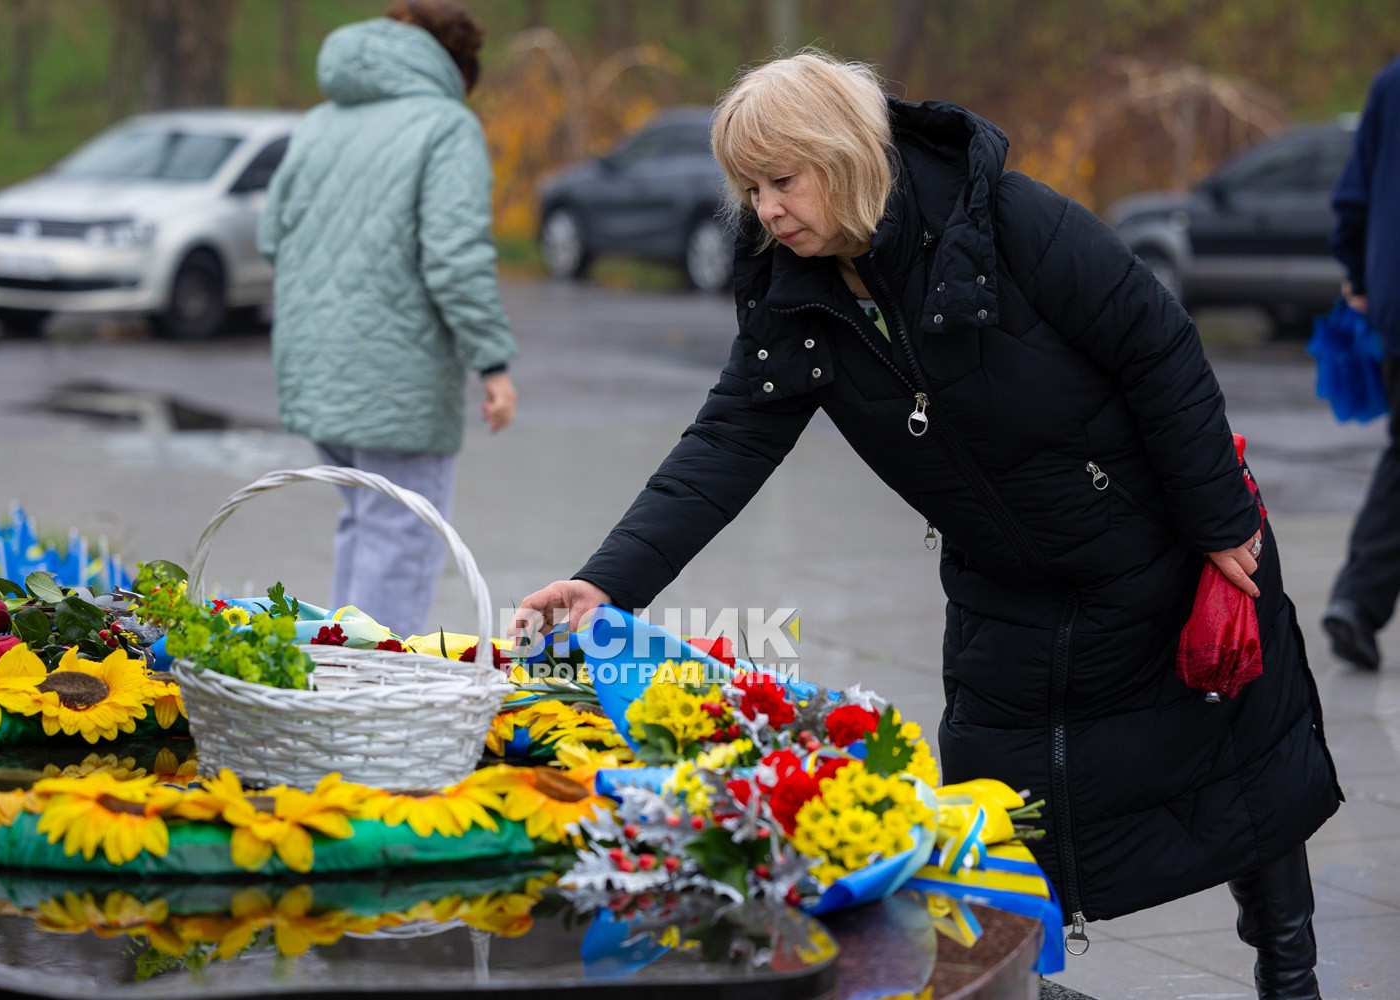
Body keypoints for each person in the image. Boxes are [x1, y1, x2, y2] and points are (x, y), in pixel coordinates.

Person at [515, 52, 1341, 999]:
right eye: (750, 190)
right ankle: (1012, 984)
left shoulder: (1007, 219)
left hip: (1153, 553)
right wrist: (608, 581)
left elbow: (1157, 345)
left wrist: (1219, 521)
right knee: (994, 821)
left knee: (1242, 776)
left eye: (782, 181)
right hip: (1004, 591)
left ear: (841, 153)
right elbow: (728, 439)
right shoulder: (796, 292)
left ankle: (1292, 976)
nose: (767, 210)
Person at [259, 1, 517, 639]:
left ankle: (332, 666)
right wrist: (492, 364)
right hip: (396, 376)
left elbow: (270, 236)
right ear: (454, 65)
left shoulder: (319, 122)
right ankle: (371, 686)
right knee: (401, 534)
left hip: (313, 367)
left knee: (364, 519)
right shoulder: (445, 126)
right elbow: (455, 258)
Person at [1323, 56, 1400, 673]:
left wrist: (1360, 273)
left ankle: (1357, 599)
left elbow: (1352, 196)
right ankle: (1357, 599)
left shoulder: (1391, 83)